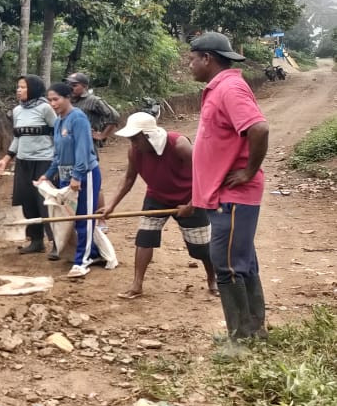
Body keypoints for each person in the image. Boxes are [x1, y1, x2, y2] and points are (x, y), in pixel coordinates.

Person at [188, 32, 270, 343]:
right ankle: (252, 332)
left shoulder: (230, 88)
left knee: (229, 266)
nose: (190, 66)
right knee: (242, 262)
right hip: (221, 196)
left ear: (207, 58)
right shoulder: (219, 88)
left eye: (192, 60)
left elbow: (259, 128)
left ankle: (241, 339)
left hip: (234, 196)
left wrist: (248, 171)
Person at [100, 112, 216, 299]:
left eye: (135, 139)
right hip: (156, 197)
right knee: (144, 238)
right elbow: (129, 178)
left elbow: (204, 176)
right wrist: (111, 205)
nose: (133, 144)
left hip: (189, 196)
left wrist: (192, 203)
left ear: (148, 136)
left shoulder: (179, 145)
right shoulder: (134, 151)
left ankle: (213, 278)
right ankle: (137, 285)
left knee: (201, 247)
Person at [38, 82, 106, 278]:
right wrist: (48, 174)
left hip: (85, 176)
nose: (53, 103)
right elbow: (58, 154)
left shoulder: (78, 118)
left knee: (84, 218)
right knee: (72, 220)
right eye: (50, 100)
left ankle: (82, 261)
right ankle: (91, 253)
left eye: (56, 99)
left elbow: (83, 150)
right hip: (65, 177)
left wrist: (78, 176)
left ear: (67, 97)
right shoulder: (59, 121)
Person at [0, 75, 58, 257]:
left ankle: (57, 242)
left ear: (33, 89)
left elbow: (57, 134)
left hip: (44, 161)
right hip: (23, 162)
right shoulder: (17, 111)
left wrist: (58, 161)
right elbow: (18, 138)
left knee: (46, 202)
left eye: (22, 87)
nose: (18, 90)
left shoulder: (46, 109)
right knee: (25, 201)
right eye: (18, 87)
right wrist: (6, 160)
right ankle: (36, 241)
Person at [66, 72, 121, 149]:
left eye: (74, 85)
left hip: (87, 145)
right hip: (69, 144)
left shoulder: (93, 101)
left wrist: (102, 135)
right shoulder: (67, 100)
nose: (70, 88)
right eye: (69, 84)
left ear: (85, 86)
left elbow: (114, 116)